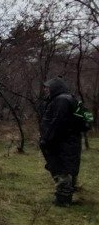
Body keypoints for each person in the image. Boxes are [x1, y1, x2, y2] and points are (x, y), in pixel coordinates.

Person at [39, 77, 82, 206]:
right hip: (68, 142)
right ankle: (64, 198)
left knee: (62, 169)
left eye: (48, 88)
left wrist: (46, 139)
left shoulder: (61, 100)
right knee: (66, 168)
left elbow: (57, 123)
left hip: (62, 143)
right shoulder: (70, 98)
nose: (46, 90)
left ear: (55, 88)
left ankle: (63, 200)